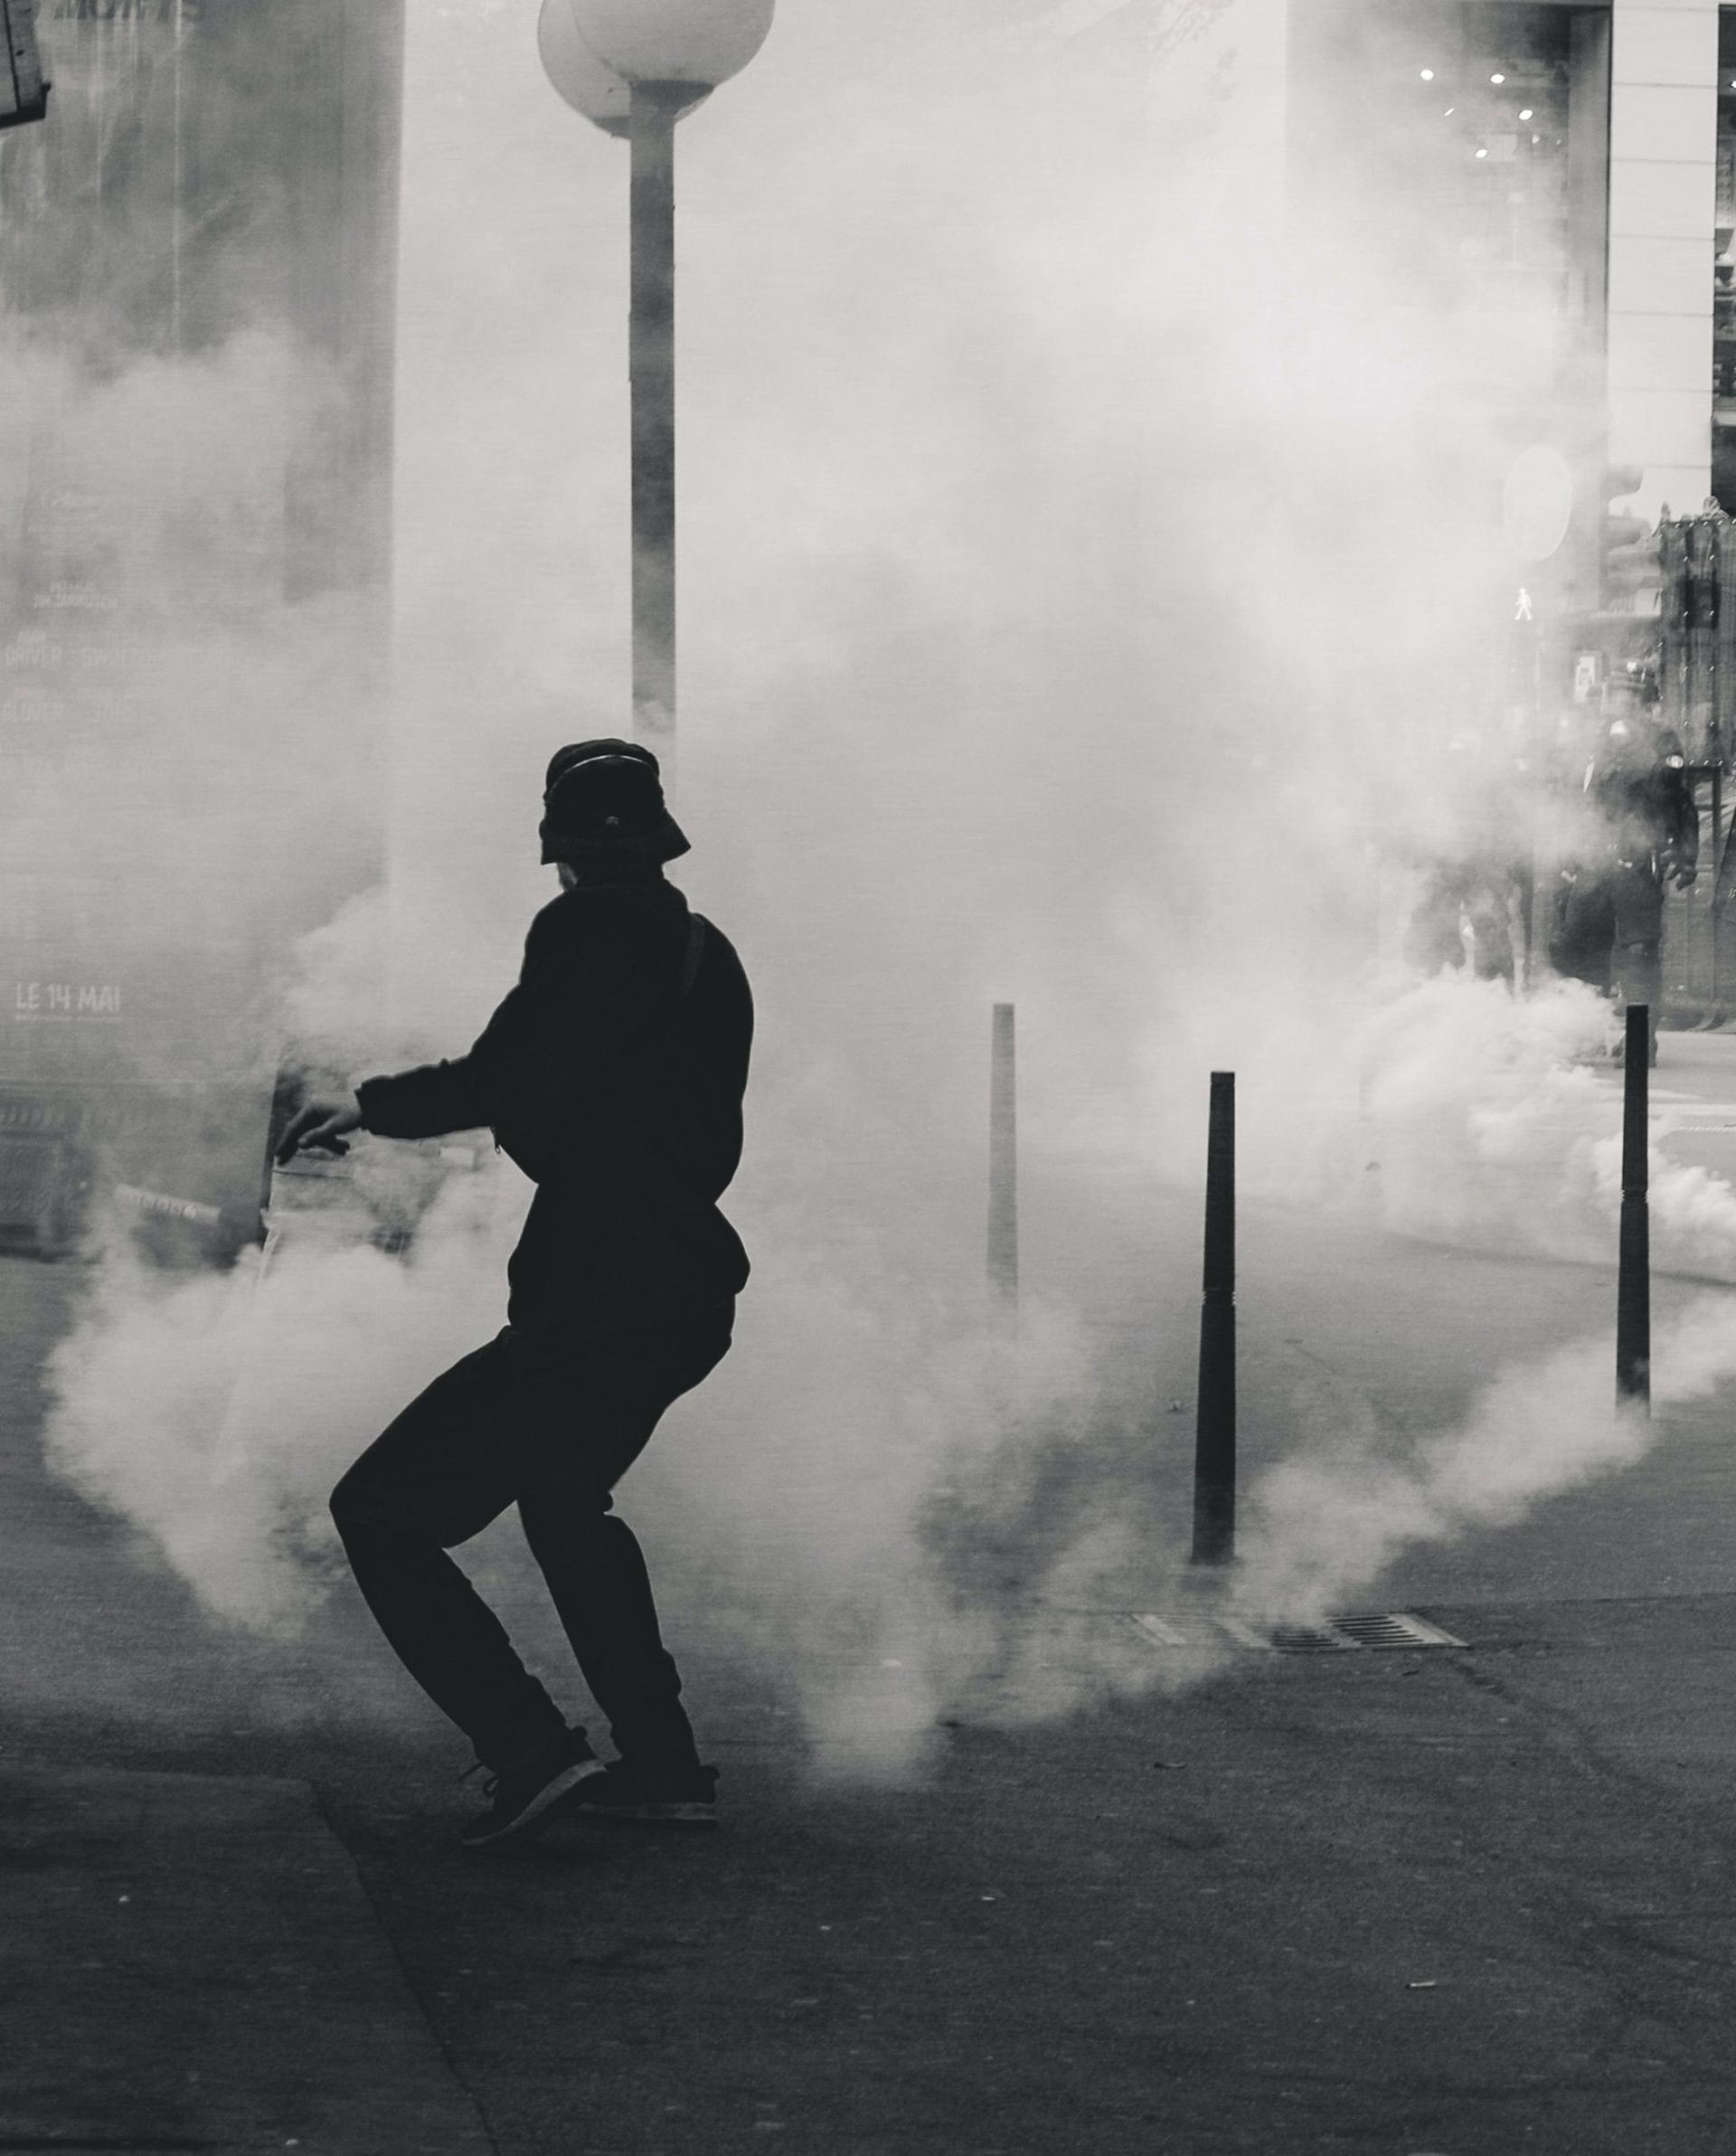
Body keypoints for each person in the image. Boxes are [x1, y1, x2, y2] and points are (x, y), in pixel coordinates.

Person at [277, 740, 752, 1849]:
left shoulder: (586, 927)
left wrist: (366, 1107)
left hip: (601, 1295)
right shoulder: (703, 949)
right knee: (564, 1501)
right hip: (683, 1288)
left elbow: (508, 1074)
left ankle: (530, 1749)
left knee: (382, 1511)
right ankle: (664, 1762)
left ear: (566, 850)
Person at [1551, 680, 1698, 1064]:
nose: (1618, 704)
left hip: (1637, 857)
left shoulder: (1661, 741)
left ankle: (1640, 1040)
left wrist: (1684, 854)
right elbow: (1574, 799)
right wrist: (1564, 854)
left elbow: (1679, 803)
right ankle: (1586, 1031)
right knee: (1578, 947)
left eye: (1629, 696)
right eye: (1614, 696)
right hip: (1593, 859)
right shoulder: (1591, 742)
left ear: (1644, 702)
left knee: (1638, 952)